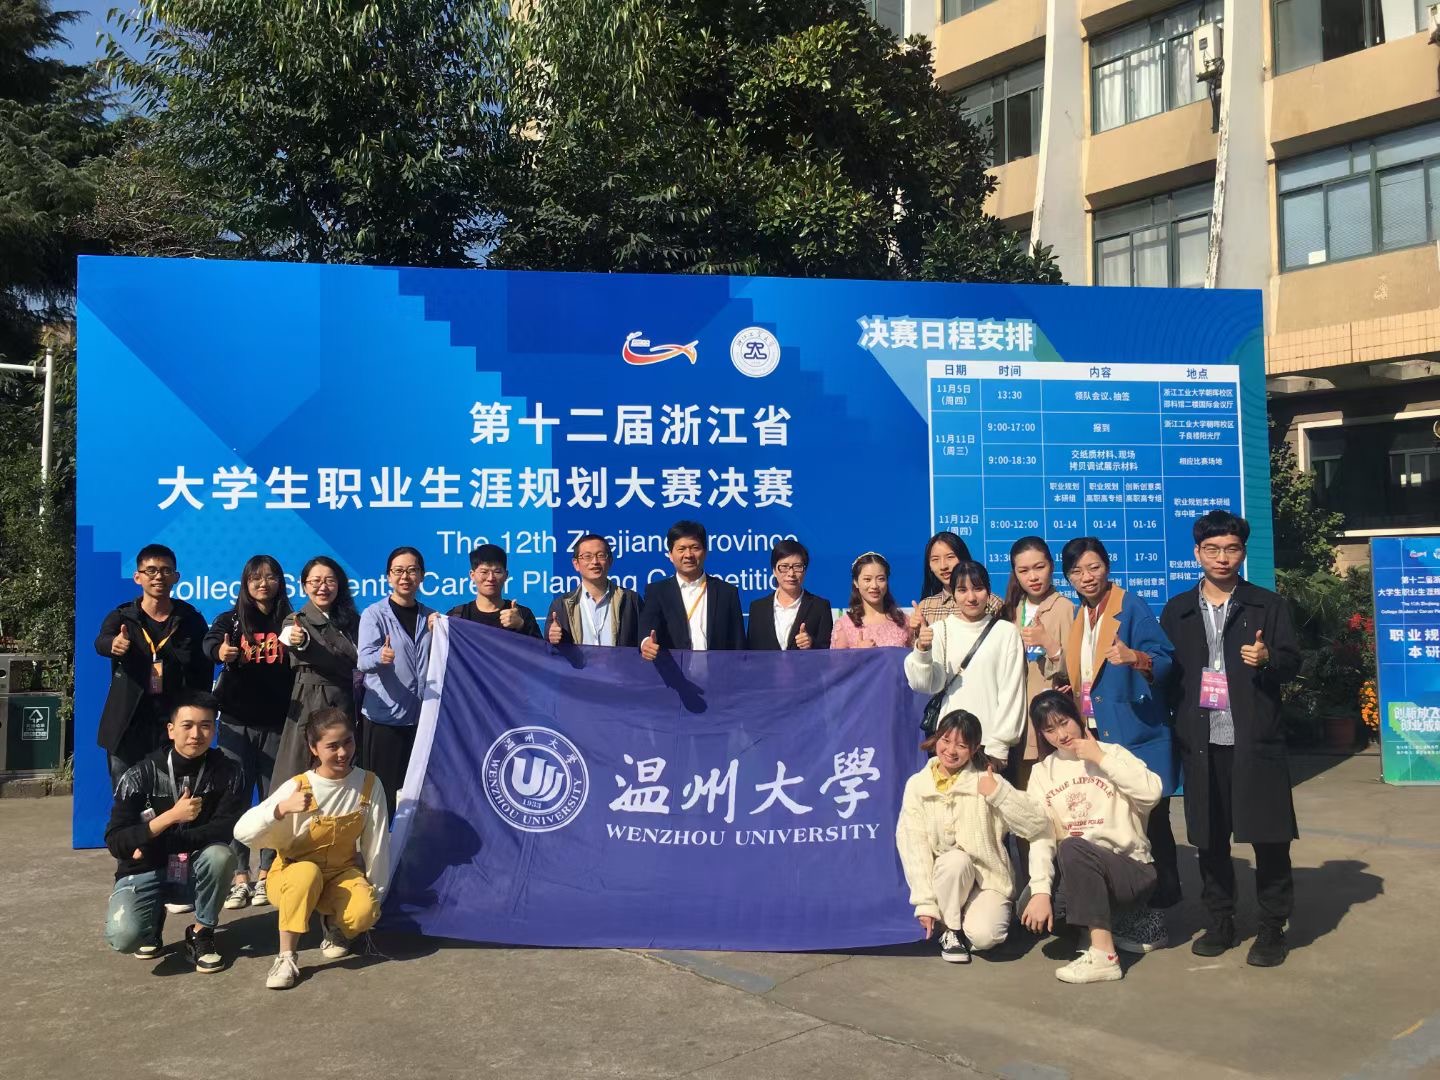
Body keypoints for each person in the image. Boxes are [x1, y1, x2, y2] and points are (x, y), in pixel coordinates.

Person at [1161, 510, 1303, 967]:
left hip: (1253, 739)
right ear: (1197, 553)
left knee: (1269, 838)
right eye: (1212, 549)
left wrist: (1268, 658)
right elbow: (1168, 675)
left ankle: (1272, 928)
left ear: (1243, 552)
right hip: (1202, 742)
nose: (1222, 558)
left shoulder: (1267, 605)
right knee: (1209, 839)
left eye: (1231, 549)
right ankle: (1220, 921)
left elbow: (1292, 663)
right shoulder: (1178, 610)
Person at [1060, 536, 1178, 946]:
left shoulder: (1131, 606)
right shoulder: (1082, 614)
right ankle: (1130, 913)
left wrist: (1136, 658)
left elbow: (1167, 661)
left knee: (1152, 826)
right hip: (1100, 735)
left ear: (1108, 567)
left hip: (1137, 734)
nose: (1087, 577)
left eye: (1094, 567)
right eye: (1076, 571)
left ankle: (1158, 915)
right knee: (1118, 826)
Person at [234, 708, 390, 990]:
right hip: (292, 875)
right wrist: (281, 809)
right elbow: (241, 831)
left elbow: (376, 845)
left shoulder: (369, 783)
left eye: (348, 742)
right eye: (332, 746)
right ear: (314, 748)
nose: (343, 752)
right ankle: (286, 957)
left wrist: (374, 897)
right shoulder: (299, 786)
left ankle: (332, 922)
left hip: (341, 873)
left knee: (364, 913)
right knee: (306, 874)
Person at [1021, 691, 1164, 985]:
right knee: (1029, 908)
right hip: (1079, 870)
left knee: (1074, 846)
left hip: (1129, 869)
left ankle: (1104, 956)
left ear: (1078, 717)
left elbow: (1152, 794)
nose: (1061, 735)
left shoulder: (1112, 753)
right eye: (1050, 729)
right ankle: (1117, 925)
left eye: (1064, 723)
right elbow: (1041, 835)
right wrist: (1040, 891)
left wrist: (1100, 757)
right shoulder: (1042, 773)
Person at [103, 691, 244, 974]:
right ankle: (151, 920)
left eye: (205, 726)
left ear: (214, 730)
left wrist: (151, 842)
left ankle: (201, 932)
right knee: (124, 938)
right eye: (187, 725)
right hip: (144, 871)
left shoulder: (228, 772)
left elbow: (223, 830)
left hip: (189, 869)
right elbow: (116, 840)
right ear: (171, 730)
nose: (196, 734)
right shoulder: (140, 775)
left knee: (220, 856)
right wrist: (170, 817)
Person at [896, 710, 1046, 964]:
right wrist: (925, 903)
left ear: (975, 748)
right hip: (946, 879)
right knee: (956, 860)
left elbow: (1036, 823)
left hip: (989, 880)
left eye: (962, 745)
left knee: (986, 937)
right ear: (936, 739)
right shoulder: (918, 785)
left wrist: (999, 794)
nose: (951, 750)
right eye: (945, 740)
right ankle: (950, 930)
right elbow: (913, 844)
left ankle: (970, 917)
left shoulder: (987, 781)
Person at [204, 555, 295, 911]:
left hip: (278, 725)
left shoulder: (291, 620)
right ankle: (239, 876)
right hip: (235, 724)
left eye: (270, 577)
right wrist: (220, 651)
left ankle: (267, 874)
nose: (263, 583)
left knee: (274, 802)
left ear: (280, 583)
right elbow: (210, 644)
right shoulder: (230, 620)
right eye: (256, 577)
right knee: (236, 799)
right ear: (245, 583)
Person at [94, 544, 212, 787]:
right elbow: (101, 641)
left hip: (173, 725)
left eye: (166, 571)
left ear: (176, 577)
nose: (159, 576)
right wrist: (113, 645)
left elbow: (203, 670)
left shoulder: (191, 619)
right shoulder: (122, 617)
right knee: (127, 797)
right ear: (138, 577)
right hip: (128, 725)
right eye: (151, 570)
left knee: (174, 796)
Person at [905, 560, 1027, 766]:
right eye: (962, 590)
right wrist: (922, 651)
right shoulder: (940, 630)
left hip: (989, 746)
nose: (971, 597)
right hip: (948, 744)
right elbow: (925, 685)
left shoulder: (1006, 632)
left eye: (978, 588)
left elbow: (1012, 692)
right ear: (953, 593)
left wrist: (999, 748)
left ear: (988, 591)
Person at [357, 547, 436, 819]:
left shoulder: (431, 617)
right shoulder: (374, 614)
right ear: (388, 577)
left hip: (421, 722)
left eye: (412, 570)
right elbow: (362, 660)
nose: (406, 577)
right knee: (382, 799)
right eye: (399, 571)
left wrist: (442, 632)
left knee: (416, 798)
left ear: (422, 576)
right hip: (385, 721)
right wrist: (380, 656)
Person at [272, 555, 359, 794]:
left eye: (330, 580)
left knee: (343, 766)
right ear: (304, 585)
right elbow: (292, 638)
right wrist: (299, 640)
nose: (323, 587)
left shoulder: (352, 621)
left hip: (346, 700)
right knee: (301, 766)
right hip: (312, 698)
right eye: (315, 581)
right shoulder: (296, 620)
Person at [999, 537, 1076, 793]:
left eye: (1039, 567)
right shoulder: (1010, 610)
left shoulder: (1065, 608)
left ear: (1051, 565)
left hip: (1048, 721)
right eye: (1023, 570)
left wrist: (1049, 644)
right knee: (1021, 795)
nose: (1032, 577)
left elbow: (1076, 671)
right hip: (1015, 719)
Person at [638, 520, 745, 659]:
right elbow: (649, 622)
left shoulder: (727, 592)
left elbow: (738, 643)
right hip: (674, 671)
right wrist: (646, 642)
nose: (688, 555)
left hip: (717, 671)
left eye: (695, 548)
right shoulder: (657, 591)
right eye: (681, 549)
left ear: (705, 552)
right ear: (670, 555)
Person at [545, 533, 641, 647]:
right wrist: (552, 638)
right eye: (587, 556)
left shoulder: (631, 600)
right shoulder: (561, 606)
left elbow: (644, 641)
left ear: (610, 561)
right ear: (576, 564)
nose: (595, 562)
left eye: (601, 555)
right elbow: (547, 650)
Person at [746, 539, 833, 650]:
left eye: (797, 566)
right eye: (784, 567)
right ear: (774, 570)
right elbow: (751, 652)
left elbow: (828, 651)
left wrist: (811, 644)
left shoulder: (820, 607)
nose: (791, 573)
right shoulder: (757, 608)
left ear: (805, 570)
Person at [446, 544, 541, 637]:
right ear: (472, 575)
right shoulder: (457, 617)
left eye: (497, 572)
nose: (491, 578)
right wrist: (437, 628)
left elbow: (540, 647)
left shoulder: (522, 615)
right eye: (484, 572)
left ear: (506, 575)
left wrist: (521, 626)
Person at [831, 552, 912, 649]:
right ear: (856, 582)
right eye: (867, 579)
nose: (874, 586)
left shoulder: (904, 621)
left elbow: (916, 656)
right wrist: (857, 653)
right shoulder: (844, 625)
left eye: (881, 579)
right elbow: (836, 659)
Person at [912, 531, 974, 628]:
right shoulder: (925, 607)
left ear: (963, 559)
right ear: (929, 566)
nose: (943, 566)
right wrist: (917, 633)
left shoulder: (990, 603)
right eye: (935, 559)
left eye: (950, 557)